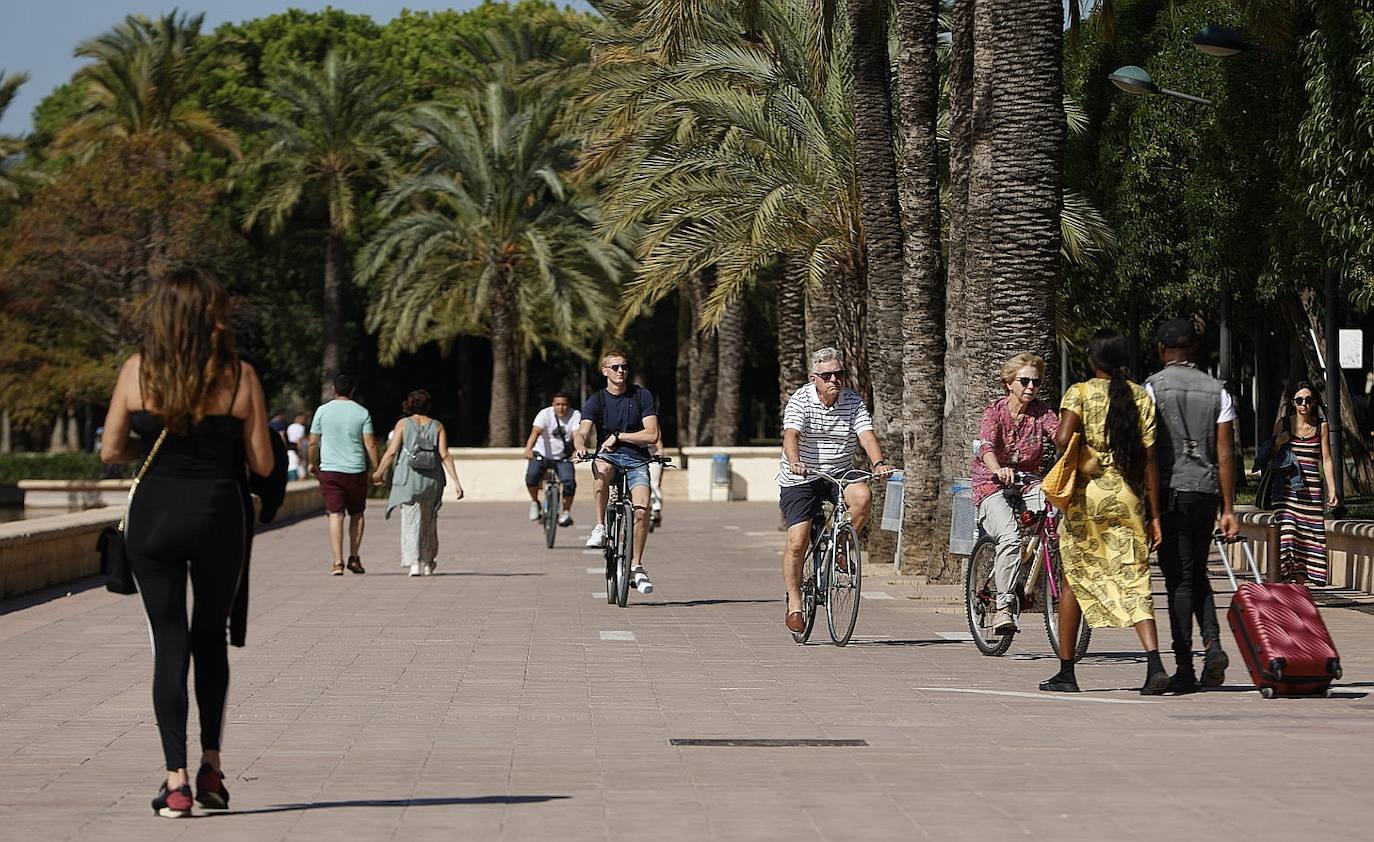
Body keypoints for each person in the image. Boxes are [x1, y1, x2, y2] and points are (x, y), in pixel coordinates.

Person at [98, 268, 275, 818]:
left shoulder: (137, 371)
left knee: (169, 641)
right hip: (220, 516)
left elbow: (110, 451)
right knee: (210, 640)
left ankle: (174, 781)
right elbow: (263, 462)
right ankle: (212, 770)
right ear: (213, 315)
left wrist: (152, 448)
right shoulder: (239, 376)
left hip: (155, 520)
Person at [1041, 330, 1169, 695]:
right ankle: (1155, 663)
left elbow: (1062, 439)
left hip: (1087, 499)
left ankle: (1066, 672)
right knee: (1134, 579)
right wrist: (1155, 516)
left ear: (1092, 359)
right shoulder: (1140, 396)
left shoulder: (1079, 393)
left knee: (1076, 580)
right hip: (1127, 498)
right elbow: (1149, 461)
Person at [1145, 319, 1239, 693]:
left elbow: (1149, 451)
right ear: (1195, 351)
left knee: (1178, 581)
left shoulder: (1152, 387)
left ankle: (1184, 665)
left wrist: (1149, 509)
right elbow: (1226, 452)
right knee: (1197, 571)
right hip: (1205, 492)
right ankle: (1213, 645)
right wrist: (1228, 508)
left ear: (1160, 349)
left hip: (1170, 491)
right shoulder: (1219, 390)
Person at [778, 348, 892, 633]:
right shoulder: (800, 400)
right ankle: (794, 602)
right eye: (827, 375)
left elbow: (866, 435)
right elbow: (791, 434)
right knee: (797, 539)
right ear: (814, 378)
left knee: (863, 497)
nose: (834, 380)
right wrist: (794, 462)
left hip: (838, 472)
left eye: (838, 374)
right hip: (802, 475)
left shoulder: (852, 401)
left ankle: (839, 545)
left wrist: (878, 463)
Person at [971, 353, 1059, 635]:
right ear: (1009, 383)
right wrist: (998, 468)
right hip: (991, 483)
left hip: (1029, 482)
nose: (1031, 387)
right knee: (1009, 538)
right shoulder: (994, 411)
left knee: (1059, 513)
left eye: (1036, 381)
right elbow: (985, 446)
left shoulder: (1043, 413)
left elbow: (1061, 436)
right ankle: (1003, 608)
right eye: (1024, 381)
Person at [573, 350, 660, 595]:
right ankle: (600, 527)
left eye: (624, 367)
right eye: (615, 367)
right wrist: (580, 446)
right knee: (602, 468)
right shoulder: (597, 400)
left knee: (642, 510)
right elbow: (582, 431)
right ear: (605, 371)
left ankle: (636, 566)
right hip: (607, 457)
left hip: (636, 459)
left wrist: (619, 436)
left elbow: (651, 434)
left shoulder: (641, 396)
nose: (620, 371)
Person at [372, 390, 464, 576]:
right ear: (428, 406)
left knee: (410, 519)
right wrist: (457, 482)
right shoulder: (437, 426)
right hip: (431, 479)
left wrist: (378, 473)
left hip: (408, 478)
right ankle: (429, 562)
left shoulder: (403, 424)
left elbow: (391, 452)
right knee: (429, 520)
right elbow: (444, 454)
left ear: (410, 405)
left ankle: (414, 562)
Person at [308, 374, 379, 575]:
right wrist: (378, 469)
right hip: (355, 470)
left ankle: (337, 562)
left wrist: (313, 464)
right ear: (352, 390)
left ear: (333, 389)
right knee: (357, 514)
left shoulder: (322, 411)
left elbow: (313, 442)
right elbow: (371, 443)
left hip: (330, 470)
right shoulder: (361, 412)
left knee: (335, 514)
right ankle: (354, 558)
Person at [1273, 381, 1339, 585]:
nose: (1303, 404)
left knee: (1307, 542)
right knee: (1287, 537)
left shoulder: (1321, 426)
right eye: (1299, 400)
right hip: (1286, 493)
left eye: (1308, 400)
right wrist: (1278, 443)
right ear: (1293, 402)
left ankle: (1299, 589)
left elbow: (1326, 459)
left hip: (1311, 494)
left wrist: (1333, 490)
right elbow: (1269, 457)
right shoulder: (1283, 424)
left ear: (1314, 401)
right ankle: (1285, 584)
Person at [522, 392, 580, 526]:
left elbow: (577, 434)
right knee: (531, 477)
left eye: (564, 404)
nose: (561, 407)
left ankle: (565, 512)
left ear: (568, 405)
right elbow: (535, 433)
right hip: (542, 454)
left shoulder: (575, 415)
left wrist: (578, 449)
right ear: (553, 405)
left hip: (562, 457)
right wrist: (528, 449)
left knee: (569, 483)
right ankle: (535, 502)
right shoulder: (544, 414)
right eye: (558, 404)